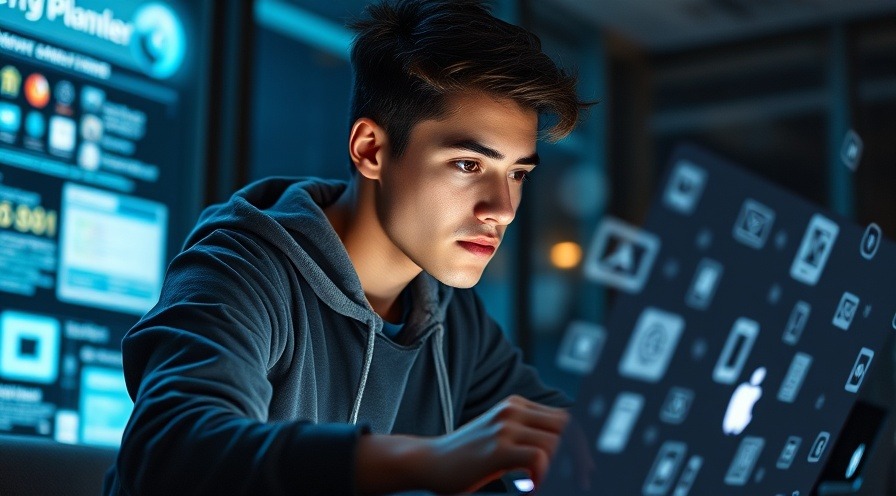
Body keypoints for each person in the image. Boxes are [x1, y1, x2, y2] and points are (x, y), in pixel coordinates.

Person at [105, 0, 590, 494]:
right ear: (370, 151)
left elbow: (560, 434)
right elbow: (169, 452)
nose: (503, 208)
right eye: (468, 165)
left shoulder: (449, 316)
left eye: (517, 173)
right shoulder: (239, 269)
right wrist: (427, 460)